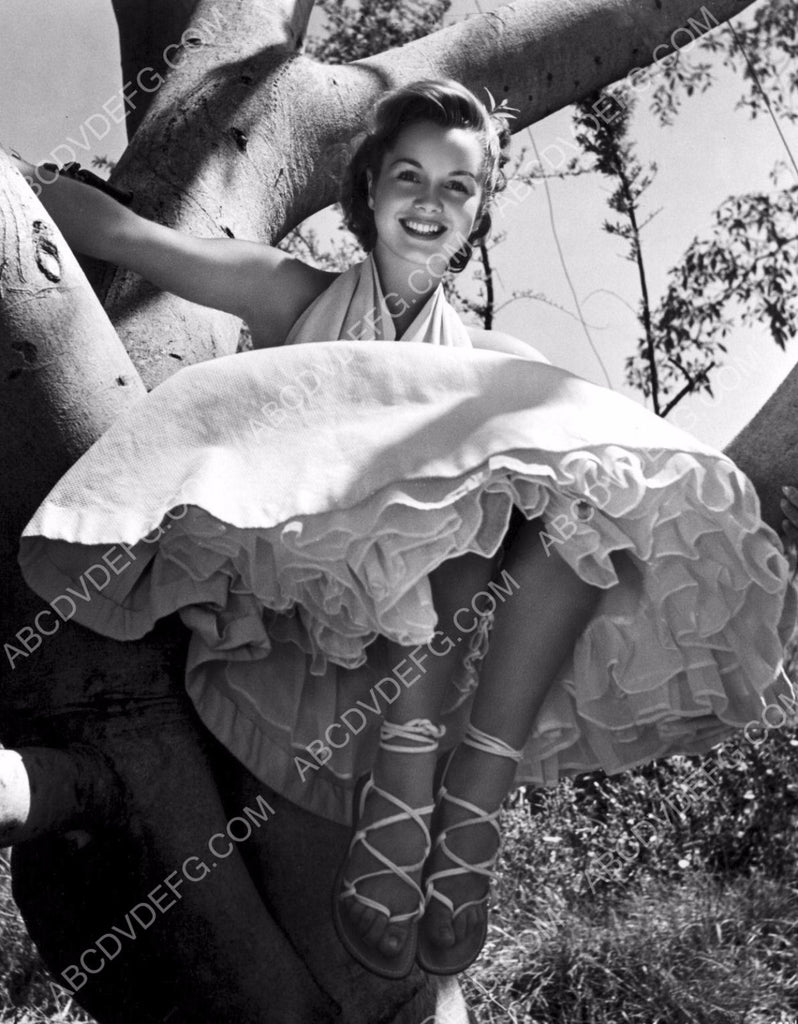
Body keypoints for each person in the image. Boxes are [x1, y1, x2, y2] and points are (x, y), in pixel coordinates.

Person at [8, 79, 798, 982]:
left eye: (457, 186)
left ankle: (476, 795)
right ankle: (407, 779)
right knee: (449, 482)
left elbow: (607, 476)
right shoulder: (292, 294)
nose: (430, 202)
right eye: (410, 176)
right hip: (316, 624)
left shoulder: (500, 360)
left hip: (464, 647)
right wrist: (20, 182)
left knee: (579, 505)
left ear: (478, 211)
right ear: (370, 186)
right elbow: (129, 238)